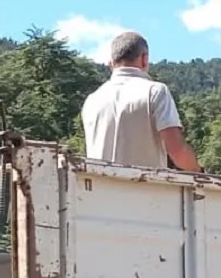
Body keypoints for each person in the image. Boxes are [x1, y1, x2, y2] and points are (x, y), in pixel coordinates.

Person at [80, 30, 203, 172]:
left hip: (98, 185)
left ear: (111, 63)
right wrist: (199, 172)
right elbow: (177, 151)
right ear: (144, 58)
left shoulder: (91, 101)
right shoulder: (155, 92)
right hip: (144, 185)